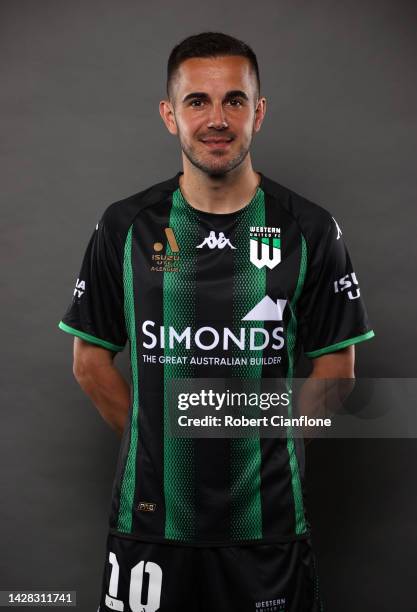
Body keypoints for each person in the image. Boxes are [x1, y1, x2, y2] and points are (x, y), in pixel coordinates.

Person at [58, 31, 375, 612]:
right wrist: (152, 440)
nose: (216, 119)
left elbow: (339, 363)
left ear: (258, 111)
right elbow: (89, 361)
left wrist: (274, 443)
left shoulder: (307, 227)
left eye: (234, 100)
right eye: (196, 101)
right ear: (168, 114)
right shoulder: (126, 226)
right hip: (151, 524)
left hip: (269, 526)